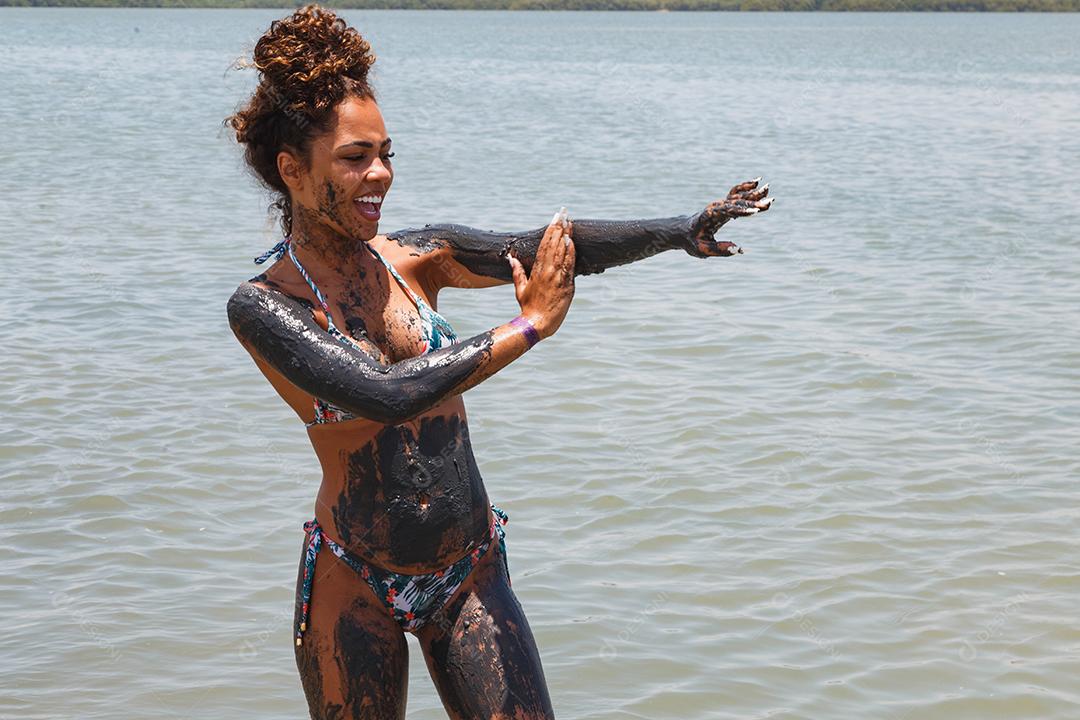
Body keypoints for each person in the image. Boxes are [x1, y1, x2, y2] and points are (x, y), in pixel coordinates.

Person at [223, 5, 771, 719]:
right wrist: (530, 325)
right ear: (293, 170)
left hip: (468, 568)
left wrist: (678, 232)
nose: (381, 174)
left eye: (387, 152)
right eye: (355, 158)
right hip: (352, 578)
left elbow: (545, 247)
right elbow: (384, 394)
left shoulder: (418, 257)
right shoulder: (263, 306)